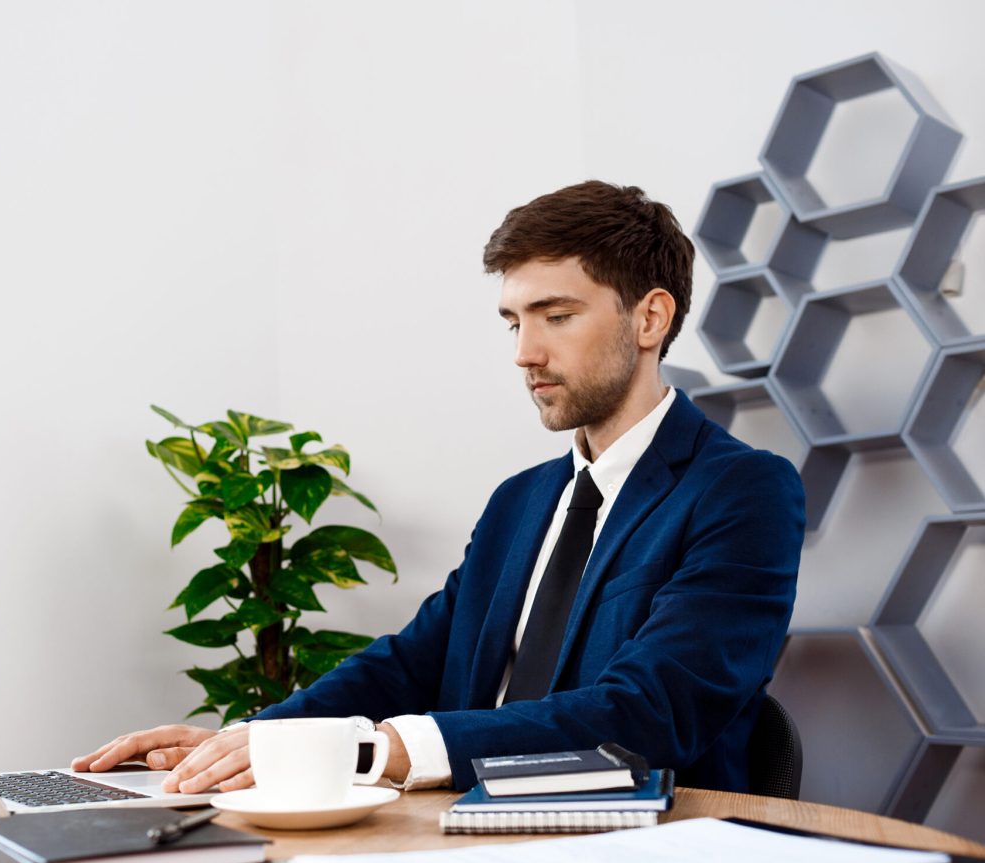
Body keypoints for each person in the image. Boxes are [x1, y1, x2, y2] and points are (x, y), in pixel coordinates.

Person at [72, 180, 806, 795]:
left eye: (557, 316)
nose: (525, 353)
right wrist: (254, 740)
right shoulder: (521, 502)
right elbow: (414, 660)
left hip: (645, 853)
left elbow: (652, 713)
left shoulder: (743, 492)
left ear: (650, 318)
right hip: (462, 837)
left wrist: (371, 751)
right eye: (513, 321)